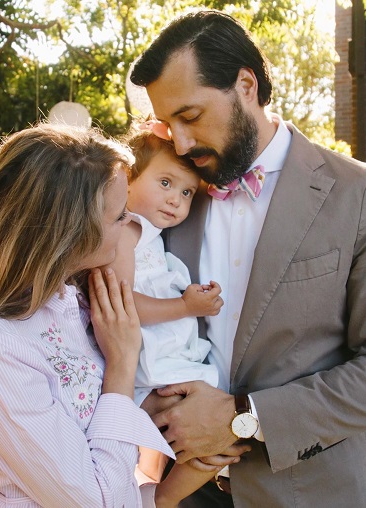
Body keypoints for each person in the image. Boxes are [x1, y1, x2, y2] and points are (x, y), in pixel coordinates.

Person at [129, 9, 366, 508]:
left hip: (304, 493)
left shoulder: (356, 195)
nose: (184, 142)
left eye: (190, 117)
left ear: (245, 84)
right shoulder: (172, 195)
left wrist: (245, 416)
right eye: (170, 125)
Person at [0, 123, 182, 507]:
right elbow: (94, 500)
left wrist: (157, 412)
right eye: (120, 216)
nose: (131, 224)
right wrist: (123, 363)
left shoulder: (70, 300)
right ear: (70, 233)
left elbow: (88, 418)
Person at [109, 123, 247, 504]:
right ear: (128, 179)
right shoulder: (125, 232)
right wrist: (185, 306)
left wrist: (194, 296)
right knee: (220, 441)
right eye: (165, 183)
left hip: (175, 362)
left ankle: (164, 496)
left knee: (221, 439)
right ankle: (162, 500)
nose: (175, 200)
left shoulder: (152, 237)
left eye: (186, 192)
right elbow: (124, 304)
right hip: (155, 367)